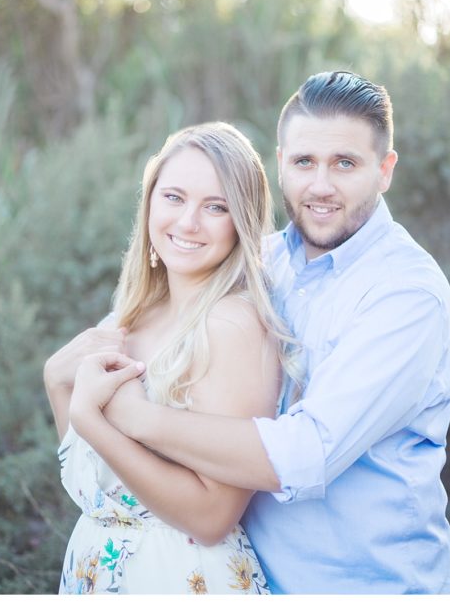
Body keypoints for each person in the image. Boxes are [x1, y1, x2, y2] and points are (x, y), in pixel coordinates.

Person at [82, 71, 450, 594]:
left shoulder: (405, 295)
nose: (321, 185)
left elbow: (307, 453)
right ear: (281, 163)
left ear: (385, 169)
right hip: (241, 580)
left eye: (345, 163)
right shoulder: (261, 261)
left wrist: (134, 416)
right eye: (305, 162)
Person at [44, 121, 298, 594]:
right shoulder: (125, 317)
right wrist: (57, 383)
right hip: (95, 571)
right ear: (149, 201)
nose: (187, 223)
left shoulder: (232, 326)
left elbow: (212, 517)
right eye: (174, 197)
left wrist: (92, 417)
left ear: (240, 221)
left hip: (181, 580)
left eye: (215, 207)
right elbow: (93, 488)